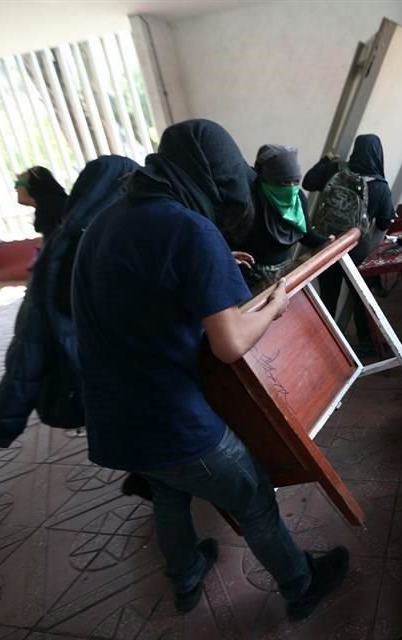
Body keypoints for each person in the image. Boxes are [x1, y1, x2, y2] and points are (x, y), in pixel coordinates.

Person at [72, 119, 348, 617]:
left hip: (113, 417)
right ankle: (300, 584)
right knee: (253, 495)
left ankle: (186, 574)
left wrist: (214, 260)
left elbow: (145, 285)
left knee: (168, 493)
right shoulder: (189, 230)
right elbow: (230, 343)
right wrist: (275, 306)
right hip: (170, 419)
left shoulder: (108, 220)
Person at [0, 156, 137, 448]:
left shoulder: (72, 235)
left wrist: (2, 423)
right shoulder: (110, 236)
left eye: (18, 184)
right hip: (110, 363)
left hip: (96, 362)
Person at [303, 134, 394, 355]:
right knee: (361, 298)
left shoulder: (335, 171)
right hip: (357, 247)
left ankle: (325, 345)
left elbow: (308, 182)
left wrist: (325, 160)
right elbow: (384, 222)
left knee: (328, 296)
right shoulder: (380, 186)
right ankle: (366, 343)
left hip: (328, 244)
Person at [239, 144, 327, 290]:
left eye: (296, 182)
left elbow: (306, 234)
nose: (291, 188)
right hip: (249, 281)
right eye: (285, 182)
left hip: (285, 277)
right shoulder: (250, 201)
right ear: (268, 178)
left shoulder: (297, 198)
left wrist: (329, 241)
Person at [14, 166, 68, 240]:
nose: (16, 187)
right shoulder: (51, 200)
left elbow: (22, 199)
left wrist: (21, 181)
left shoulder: (53, 201)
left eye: (25, 184)